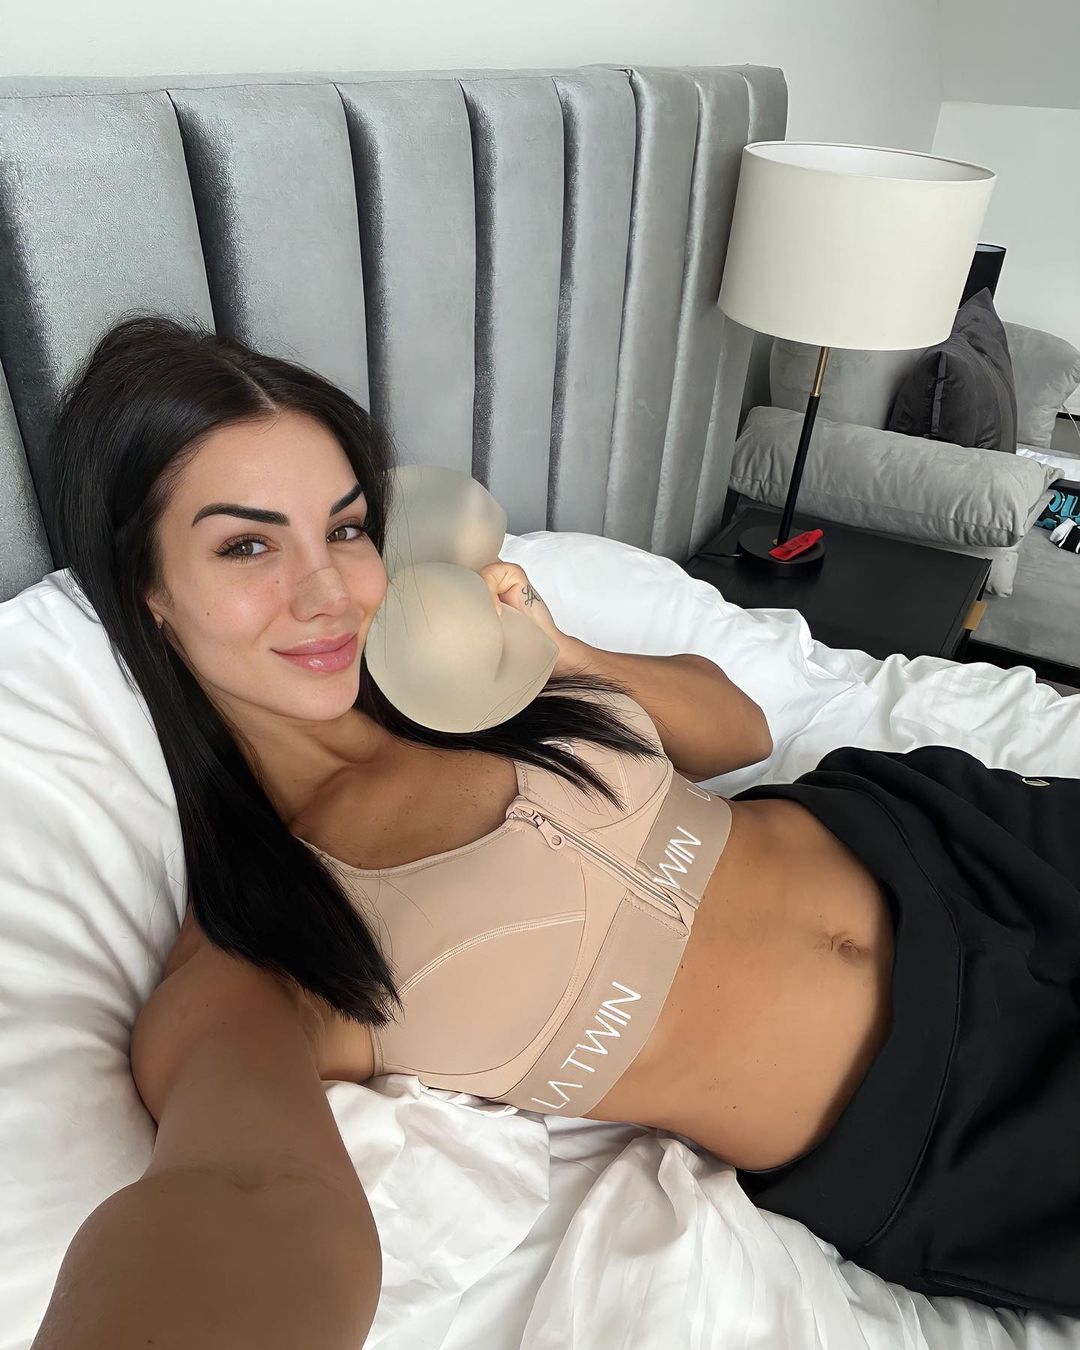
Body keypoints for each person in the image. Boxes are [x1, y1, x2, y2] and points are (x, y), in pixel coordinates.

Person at [31, 314, 1080, 1348]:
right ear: (149, 590)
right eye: (247, 544)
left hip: (951, 838)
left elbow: (741, 728)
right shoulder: (258, 948)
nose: (329, 592)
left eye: (346, 530)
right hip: (956, 1116)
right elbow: (248, 1195)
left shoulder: (457, 676)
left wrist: (556, 650)